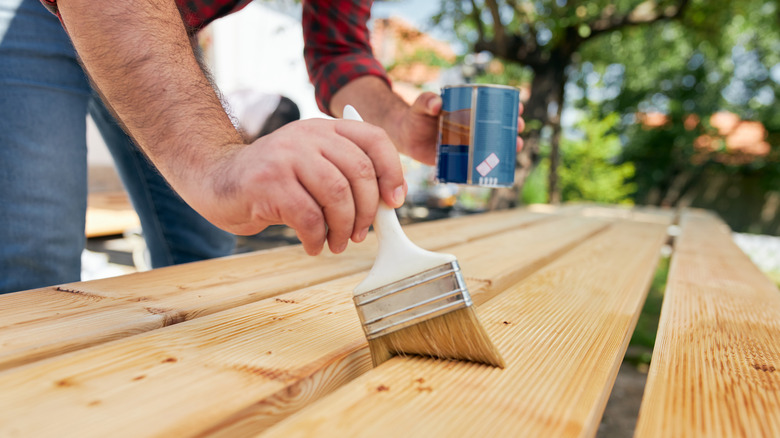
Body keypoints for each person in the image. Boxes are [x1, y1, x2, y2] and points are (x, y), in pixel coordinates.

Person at [0, 0, 524, 294]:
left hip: (159, 29)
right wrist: (217, 164)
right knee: (34, 264)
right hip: (36, 18)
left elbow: (338, 47)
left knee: (202, 257)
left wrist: (399, 123)